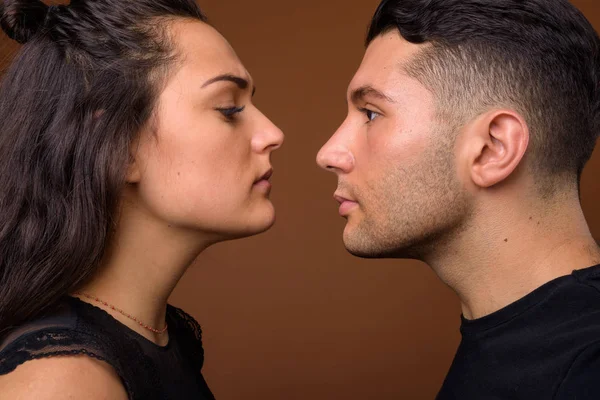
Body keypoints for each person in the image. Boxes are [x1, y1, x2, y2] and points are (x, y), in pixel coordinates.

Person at [0, 0, 283, 399]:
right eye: (229, 108)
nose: (272, 132)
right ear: (119, 145)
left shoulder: (157, 337)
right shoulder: (63, 383)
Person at [317, 0, 600, 398]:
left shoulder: (587, 369)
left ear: (492, 148)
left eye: (371, 114)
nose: (329, 153)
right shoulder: (507, 340)